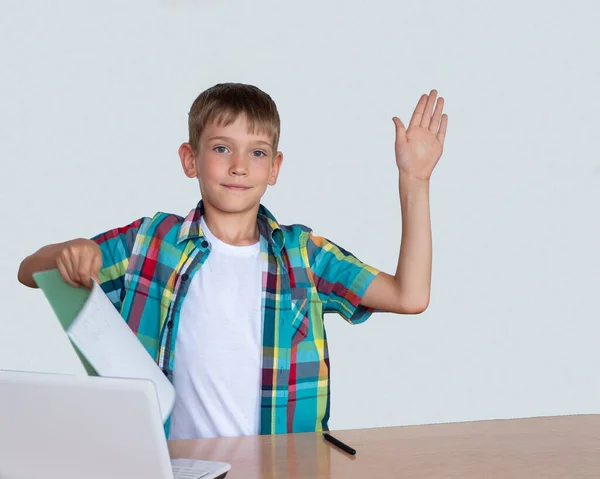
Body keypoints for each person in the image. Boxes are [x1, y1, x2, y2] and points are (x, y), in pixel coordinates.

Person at [18, 83, 448, 439]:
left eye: (257, 153)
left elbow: (409, 296)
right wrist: (69, 250)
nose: (240, 166)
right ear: (191, 159)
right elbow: (29, 270)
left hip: (281, 466)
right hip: (175, 465)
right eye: (222, 148)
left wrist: (415, 181)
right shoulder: (150, 243)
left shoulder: (303, 255)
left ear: (275, 167)